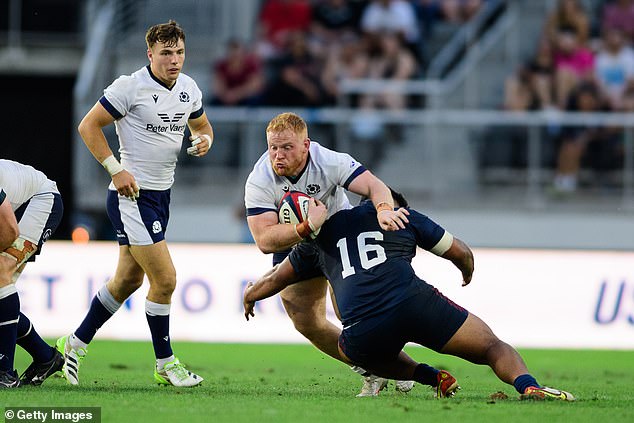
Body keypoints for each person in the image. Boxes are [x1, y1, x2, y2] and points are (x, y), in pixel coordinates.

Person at [243, 189, 575, 401]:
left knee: (353, 348)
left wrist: (250, 296)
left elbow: (275, 279)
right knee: (490, 346)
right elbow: (460, 251)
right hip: (414, 302)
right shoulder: (403, 217)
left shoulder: (321, 235)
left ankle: (432, 377)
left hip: (361, 330)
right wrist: (466, 271)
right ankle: (528, 385)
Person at [57, 20, 213, 387]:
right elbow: (88, 126)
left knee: (127, 280)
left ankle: (73, 343)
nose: (174, 60)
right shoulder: (130, 87)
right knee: (166, 279)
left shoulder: (189, 88)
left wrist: (205, 139)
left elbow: (202, 127)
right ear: (150, 55)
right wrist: (115, 169)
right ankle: (165, 364)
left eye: (179, 53)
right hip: (132, 197)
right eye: (166, 54)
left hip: (162, 196)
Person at [244, 112, 413, 396]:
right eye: (273, 147)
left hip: (338, 234)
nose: (278, 155)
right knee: (305, 320)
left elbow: (374, 185)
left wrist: (384, 210)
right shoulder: (260, 179)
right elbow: (264, 239)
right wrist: (306, 226)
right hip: (297, 240)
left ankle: (401, 366)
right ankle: (370, 370)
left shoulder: (329, 161)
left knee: (354, 312)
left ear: (306, 145)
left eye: (287, 147)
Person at [0, 160, 64, 388]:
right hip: (13, 211)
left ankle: (4, 373)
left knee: (1, 273)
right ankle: (46, 357)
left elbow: (9, 232)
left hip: (41, 199)